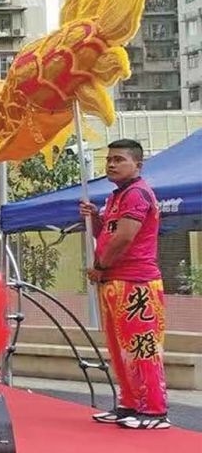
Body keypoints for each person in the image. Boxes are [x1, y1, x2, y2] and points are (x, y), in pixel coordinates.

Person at [81, 138, 170, 430]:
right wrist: (95, 219)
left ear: (138, 164)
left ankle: (154, 410)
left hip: (136, 282)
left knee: (142, 347)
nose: (111, 164)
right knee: (120, 349)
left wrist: (100, 266)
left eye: (119, 159)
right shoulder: (116, 197)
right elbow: (109, 233)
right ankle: (130, 403)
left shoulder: (137, 194)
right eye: (109, 159)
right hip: (115, 281)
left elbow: (125, 237)